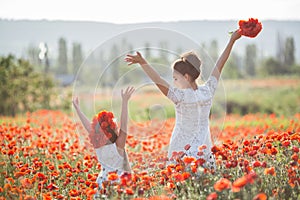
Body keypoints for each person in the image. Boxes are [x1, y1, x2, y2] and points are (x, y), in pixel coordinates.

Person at [124, 30, 241, 169]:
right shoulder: (207, 91)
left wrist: (143, 63)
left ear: (186, 77)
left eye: (175, 78)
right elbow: (219, 64)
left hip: (181, 150)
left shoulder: (180, 97)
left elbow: (158, 80)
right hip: (203, 150)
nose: (174, 82)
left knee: (181, 180)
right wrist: (232, 41)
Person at [72, 86, 135, 190]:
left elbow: (88, 127)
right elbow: (124, 124)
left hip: (102, 181)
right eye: (115, 126)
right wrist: (125, 102)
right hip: (117, 182)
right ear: (112, 130)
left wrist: (78, 109)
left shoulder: (98, 147)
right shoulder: (118, 145)